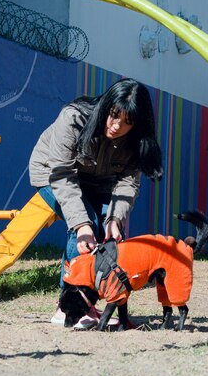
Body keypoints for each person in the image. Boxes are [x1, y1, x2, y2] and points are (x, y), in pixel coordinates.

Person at [29, 78, 163, 328]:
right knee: (85, 225)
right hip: (52, 173)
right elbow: (62, 175)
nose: (117, 126)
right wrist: (81, 224)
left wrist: (115, 218)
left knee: (107, 232)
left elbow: (127, 183)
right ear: (106, 106)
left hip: (99, 182)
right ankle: (65, 307)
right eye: (113, 116)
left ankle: (88, 300)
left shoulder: (137, 141)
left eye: (127, 123)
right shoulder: (73, 118)